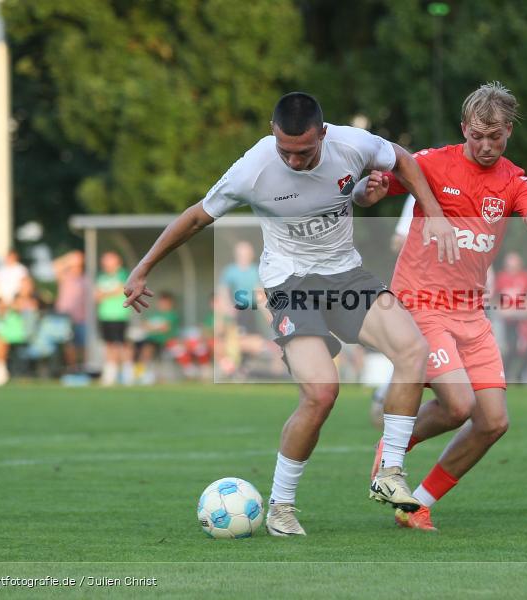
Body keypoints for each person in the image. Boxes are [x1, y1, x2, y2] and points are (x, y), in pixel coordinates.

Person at [122, 91, 460, 536]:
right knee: (321, 393)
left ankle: (390, 472)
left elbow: (401, 159)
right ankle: (281, 507)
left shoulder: (352, 144)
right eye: (286, 151)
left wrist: (425, 211)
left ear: (323, 133)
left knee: (412, 349)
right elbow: (196, 218)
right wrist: (144, 267)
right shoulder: (254, 168)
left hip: (346, 276)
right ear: (272, 133)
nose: (295, 161)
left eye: (305, 151)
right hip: (290, 284)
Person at [355, 81, 527, 530]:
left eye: (495, 137)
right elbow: (373, 190)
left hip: (471, 311)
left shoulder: (513, 178)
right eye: (477, 136)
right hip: (420, 301)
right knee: (457, 406)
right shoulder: (434, 163)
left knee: (493, 421)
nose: (486, 145)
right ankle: (394, 448)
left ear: (509, 132)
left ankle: (415, 504)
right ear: (464, 129)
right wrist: (369, 189)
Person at [495, 251, 527, 382]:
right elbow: (495, 298)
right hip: (508, 321)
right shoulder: (501, 278)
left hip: (524, 320)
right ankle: (506, 374)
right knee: (510, 349)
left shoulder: (526, 277)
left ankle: (522, 375)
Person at [96, 252, 133, 385]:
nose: (105, 263)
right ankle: (110, 375)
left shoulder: (123, 274)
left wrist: (105, 293)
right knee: (109, 344)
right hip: (105, 315)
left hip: (120, 315)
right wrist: (107, 294)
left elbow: (120, 290)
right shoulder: (101, 277)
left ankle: (128, 374)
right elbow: (97, 296)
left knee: (123, 344)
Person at [53, 250, 88, 372]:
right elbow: (55, 266)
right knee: (68, 345)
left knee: (82, 345)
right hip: (64, 318)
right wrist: (69, 258)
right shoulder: (65, 277)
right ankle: (71, 369)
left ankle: (81, 369)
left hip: (81, 318)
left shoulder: (85, 279)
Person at [137, 292, 180, 384]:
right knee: (135, 347)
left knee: (147, 349)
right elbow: (145, 325)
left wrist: (152, 327)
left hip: (164, 341)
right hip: (151, 339)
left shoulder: (172, 315)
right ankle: (139, 375)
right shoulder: (154, 314)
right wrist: (155, 328)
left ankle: (146, 376)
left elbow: (165, 328)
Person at [221, 241, 262, 335]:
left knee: (253, 335)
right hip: (236, 311)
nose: (244, 257)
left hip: (253, 311)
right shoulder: (230, 271)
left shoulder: (255, 270)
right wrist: (228, 306)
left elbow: (259, 291)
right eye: (241, 254)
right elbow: (223, 290)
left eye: (247, 254)